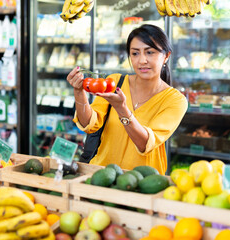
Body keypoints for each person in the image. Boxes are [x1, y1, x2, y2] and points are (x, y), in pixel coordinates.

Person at [66, 24, 188, 175]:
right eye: (135, 53)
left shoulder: (175, 100)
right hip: (100, 174)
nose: (142, 60)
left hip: (142, 182)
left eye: (150, 52)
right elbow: (89, 124)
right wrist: (79, 92)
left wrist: (121, 109)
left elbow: (145, 143)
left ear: (166, 56)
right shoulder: (115, 82)